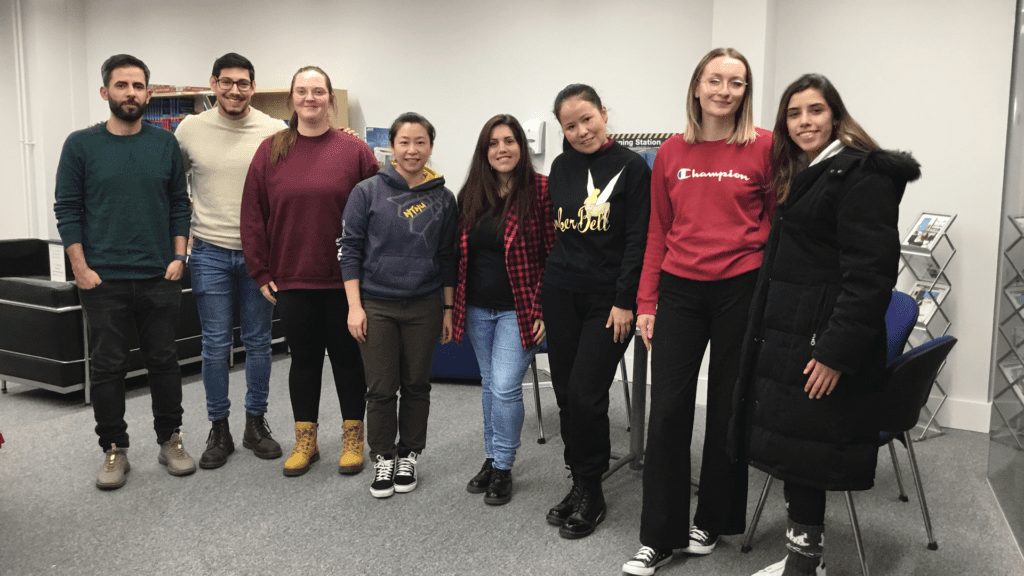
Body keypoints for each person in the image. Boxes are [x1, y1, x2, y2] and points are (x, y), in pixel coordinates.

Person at [731, 74, 920, 576]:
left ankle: (804, 563)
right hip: (794, 334)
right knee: (799, 452)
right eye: (794, 114)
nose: (804, 122)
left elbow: (871, 277)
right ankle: (803, 557)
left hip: (823, 342)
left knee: (805, 453)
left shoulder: (860, 175)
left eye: (815, 111)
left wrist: (835, 352)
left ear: (835, 115)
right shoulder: (812, 170)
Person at [623, 47, 774, 575]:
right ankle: (659, 537)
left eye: (736, 82)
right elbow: (657, 232)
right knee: (666, 414)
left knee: (730, 409)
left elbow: (778, 228)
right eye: (716, 80)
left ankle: (711, 520)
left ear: (745, 92)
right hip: (680, 291)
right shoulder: (670, 152)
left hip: (742, 288)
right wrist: (647, 301)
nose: (725, 91)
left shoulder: (765, 147)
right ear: (697, 86)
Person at [54, 54, 195, 490]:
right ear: (105, 92)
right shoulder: (80, 145)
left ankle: (170, 439)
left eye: (138, 86)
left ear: (148, 94)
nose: (130, 93)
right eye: (121, 85)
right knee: (108, 367)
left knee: (164, 361)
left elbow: (178, 203)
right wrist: (80, 268)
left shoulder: (164, 144)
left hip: (159, 274)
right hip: (103, 279)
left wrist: (179, 256)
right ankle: (114, 449)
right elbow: (68, 209)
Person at [240, 66, 379, 477]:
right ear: (292, 98)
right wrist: (260, 271)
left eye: (318, 91)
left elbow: (379, 209)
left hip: (344, 281)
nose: (310, 98)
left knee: (348, 361)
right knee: (303, 362)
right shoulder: (271, 150)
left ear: (330, 99)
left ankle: (354, 438)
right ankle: (307, 440)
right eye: (302, 91)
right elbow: (252, 214)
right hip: (292, 277)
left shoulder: (353, 151)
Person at [542, 84, 651, 538]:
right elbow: (559, 233)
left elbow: (638, 240)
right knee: (566, 395)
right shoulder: (561, 166)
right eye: (570, 125)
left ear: (604, 113)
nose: (581, 130)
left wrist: (626, 299)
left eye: (588, 118)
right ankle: (581, 482)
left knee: (587, 395)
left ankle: (595, 493)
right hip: (562, 293)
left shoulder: (632, 167)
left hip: (608, 303)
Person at [175, 53, 286, 470]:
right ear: (213, 83)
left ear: (253, 87)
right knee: (215, 345)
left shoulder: (274, 130)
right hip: (209, 252)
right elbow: (171, 186)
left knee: (259, 343)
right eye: (226, 82)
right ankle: (218, 427)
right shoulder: (189, 129)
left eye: (243, 83)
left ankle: (255, 423)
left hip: (261, 255)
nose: (234, 90)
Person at [339, 112, 458, 499]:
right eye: (404, 142)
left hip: (424, 305)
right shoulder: (367, 191)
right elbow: (349, 251)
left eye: (420, 142)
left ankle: (409, 453)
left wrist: (448, 310)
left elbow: (447, 257)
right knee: (381, 387)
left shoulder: (444, 197)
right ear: (392, 146)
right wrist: (355, 308)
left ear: (430, 147)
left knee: (417, 384)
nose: (412, 150)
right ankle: (384, 456)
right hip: (376, 305)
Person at [451, 114, 555, 506]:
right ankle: (493, 457)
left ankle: (504, 467)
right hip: (477, 308)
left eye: (509, 141)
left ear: (521, 147)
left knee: (507, 384)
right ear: (485, 152)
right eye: (493, 143)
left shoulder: (541, 191)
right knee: (490, 384)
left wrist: (543, 307)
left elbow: (553, 253)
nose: (502, 149)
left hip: (520, 309)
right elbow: (460, 257)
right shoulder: (472, 194)